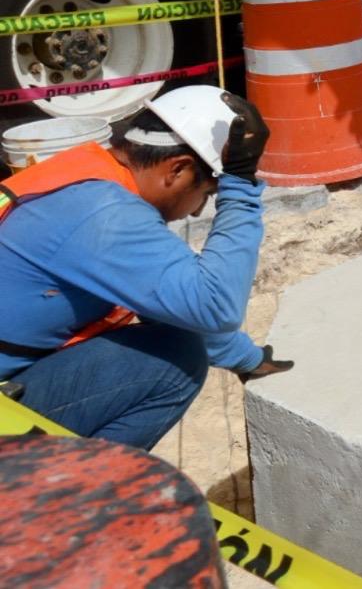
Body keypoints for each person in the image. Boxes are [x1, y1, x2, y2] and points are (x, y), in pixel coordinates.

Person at [0, 86, 289, 450]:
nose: (198, 211)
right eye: (207, 194)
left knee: (171, 341)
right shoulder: (106, 215)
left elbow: (167, 300)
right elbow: (216, 306)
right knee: (174, 361)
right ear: (178, 169)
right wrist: (240, 186)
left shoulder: (90, 177)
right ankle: (71, 484)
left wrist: (246, 359)